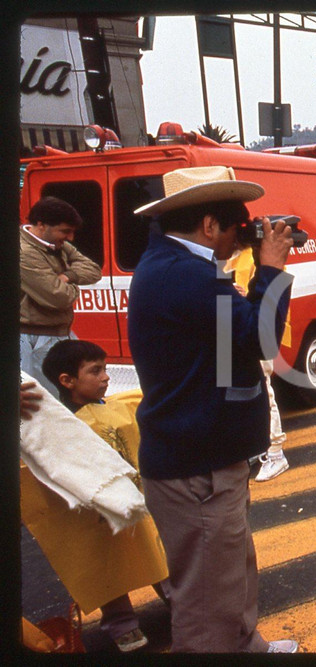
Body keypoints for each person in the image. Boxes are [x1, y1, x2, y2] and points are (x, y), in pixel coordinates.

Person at [127, 165, 297, 653]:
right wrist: (270, 269)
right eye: (234, 228)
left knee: (231, 572)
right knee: (206, 603)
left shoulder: (174, 266)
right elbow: (261, 338)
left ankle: (248, 646)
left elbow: (226, 347)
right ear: (208, 225)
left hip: (203, 453)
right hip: (195, 466)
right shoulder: (185, 275)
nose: (236, 239)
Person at [40, 339, 170, 652]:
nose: (106, 377)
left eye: (105, 369)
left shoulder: (115, 407)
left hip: (136, 498)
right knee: (107, 564)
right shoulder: (60, 427)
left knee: (155, 548)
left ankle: (180, 598)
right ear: (67, 380)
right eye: (96, 371)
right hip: (95, 512)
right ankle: (122, 623)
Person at [20, 196, 102, 396]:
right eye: (65, 231)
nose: (70, 238)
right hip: (32, 338)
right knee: (47, 403)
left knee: (73, 398)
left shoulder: (56, 243)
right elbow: (58, 297)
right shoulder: (24, 252)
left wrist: (67, 276)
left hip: (58, 333)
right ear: (41, 225)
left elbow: (93, 270)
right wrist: (72, 288)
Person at [225, 246, 292, 482]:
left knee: (264, 391)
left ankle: (275, 453)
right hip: (229, 330)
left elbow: (269, 295)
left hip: (251, 330)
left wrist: (240, 296)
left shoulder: (252, 257)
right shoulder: (223, 258)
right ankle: (258, 449)